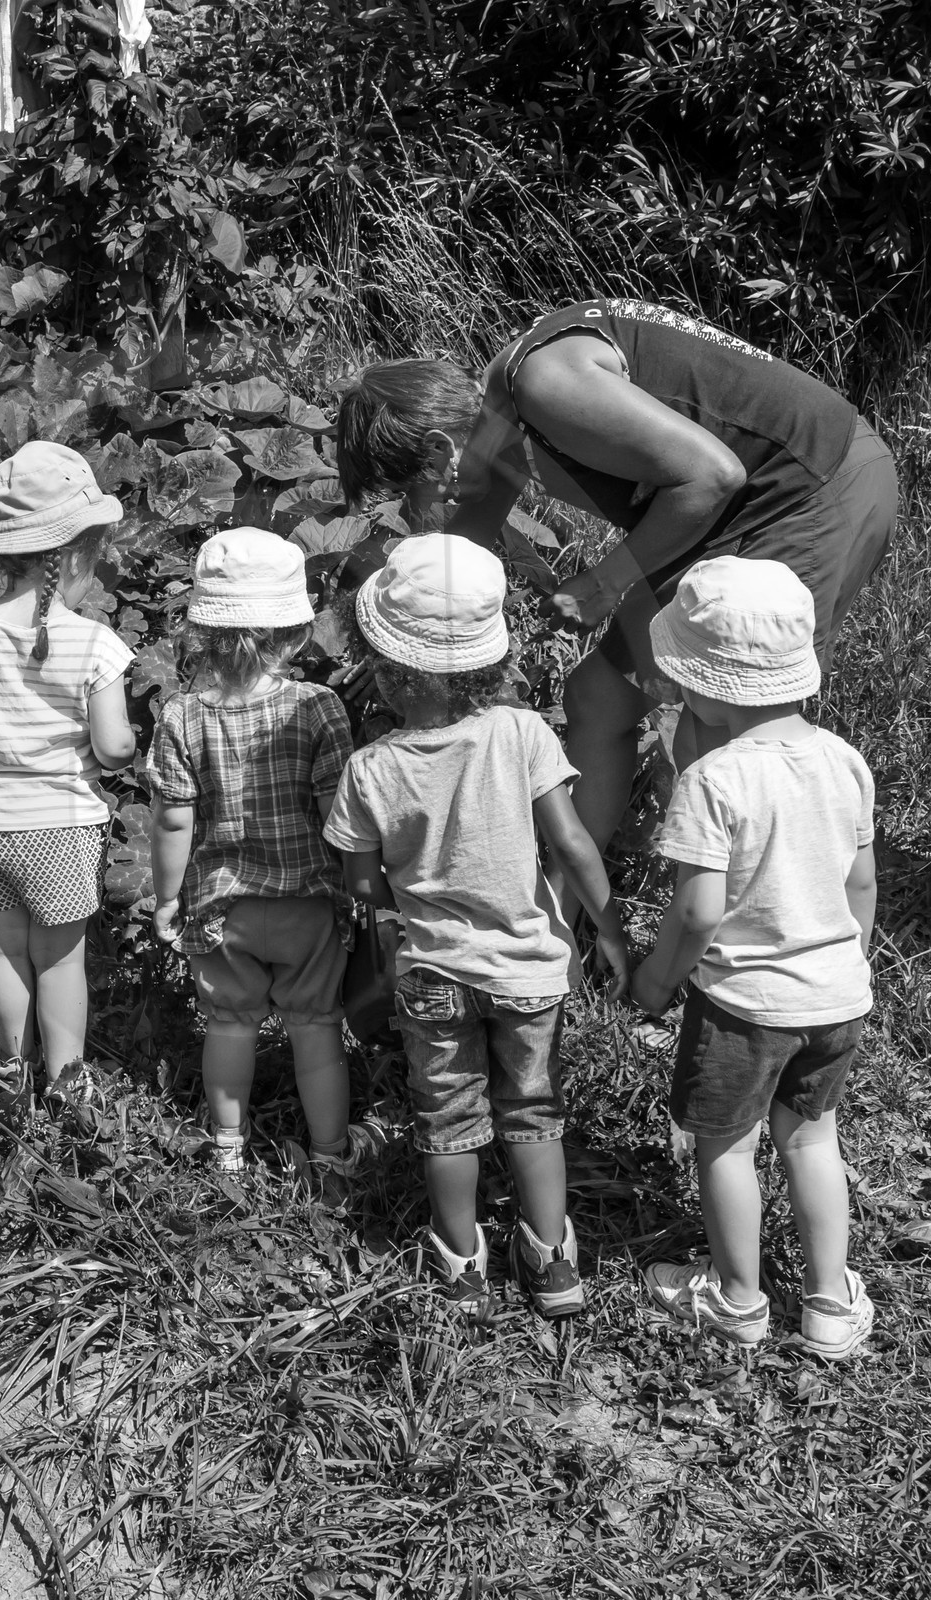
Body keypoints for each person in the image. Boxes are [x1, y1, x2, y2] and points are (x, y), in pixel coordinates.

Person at [333, 299, 897, 871]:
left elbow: (712, 476)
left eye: (411, 490)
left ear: (438, 450)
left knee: (718, 734)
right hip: (724, 511)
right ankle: (565, 907)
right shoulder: (498, 417)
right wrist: (394, 641)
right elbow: (464, 548)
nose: (421, 505)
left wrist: (600, 584)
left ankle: (744, 931)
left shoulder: (544, 383)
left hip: (810, 486)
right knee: (598, 700)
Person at [323, 535, 630, 1317]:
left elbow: (363, 883)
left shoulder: (371, 767)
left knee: (448, 1117)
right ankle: (552, 1261)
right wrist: (612, 932)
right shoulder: (523, 732)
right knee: (532, 1110)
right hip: (527, 970)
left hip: (430, 971)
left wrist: (385, 910)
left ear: (386, 668)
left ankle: (461, 1262)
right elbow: (572, 844)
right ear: (490, 661)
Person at [630, 557, 877, 1360]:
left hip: (743, 1006)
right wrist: (848, 963)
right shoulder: (844, 761)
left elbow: (699, 910)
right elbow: (861, 881)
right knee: (812, 1140)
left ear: (703, 687)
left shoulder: (713, 779)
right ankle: (831, 1303)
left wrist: (658, 980)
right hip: (836, 997)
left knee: (728, 1147)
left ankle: (738, 1299)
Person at [147, 527, 368, 1182]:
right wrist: (357, 885)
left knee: (229, 1027)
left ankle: (226, 1148)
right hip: (307, 899)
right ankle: (330, 1154)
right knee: (316, 1028)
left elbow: (173, 819)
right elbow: (338, 812)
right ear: (296, 633)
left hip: (222, 905)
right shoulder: (319, 707)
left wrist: (166, 898)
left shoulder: (182, 716)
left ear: (202, 635)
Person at [0, 442, 135, 1104]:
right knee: (61, 958)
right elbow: (115, 745)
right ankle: (67, 1081)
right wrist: (116, 753)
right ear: (75, 555)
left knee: (2, 950)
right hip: (61, 825)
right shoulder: (94, 643)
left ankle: (12, 1069)